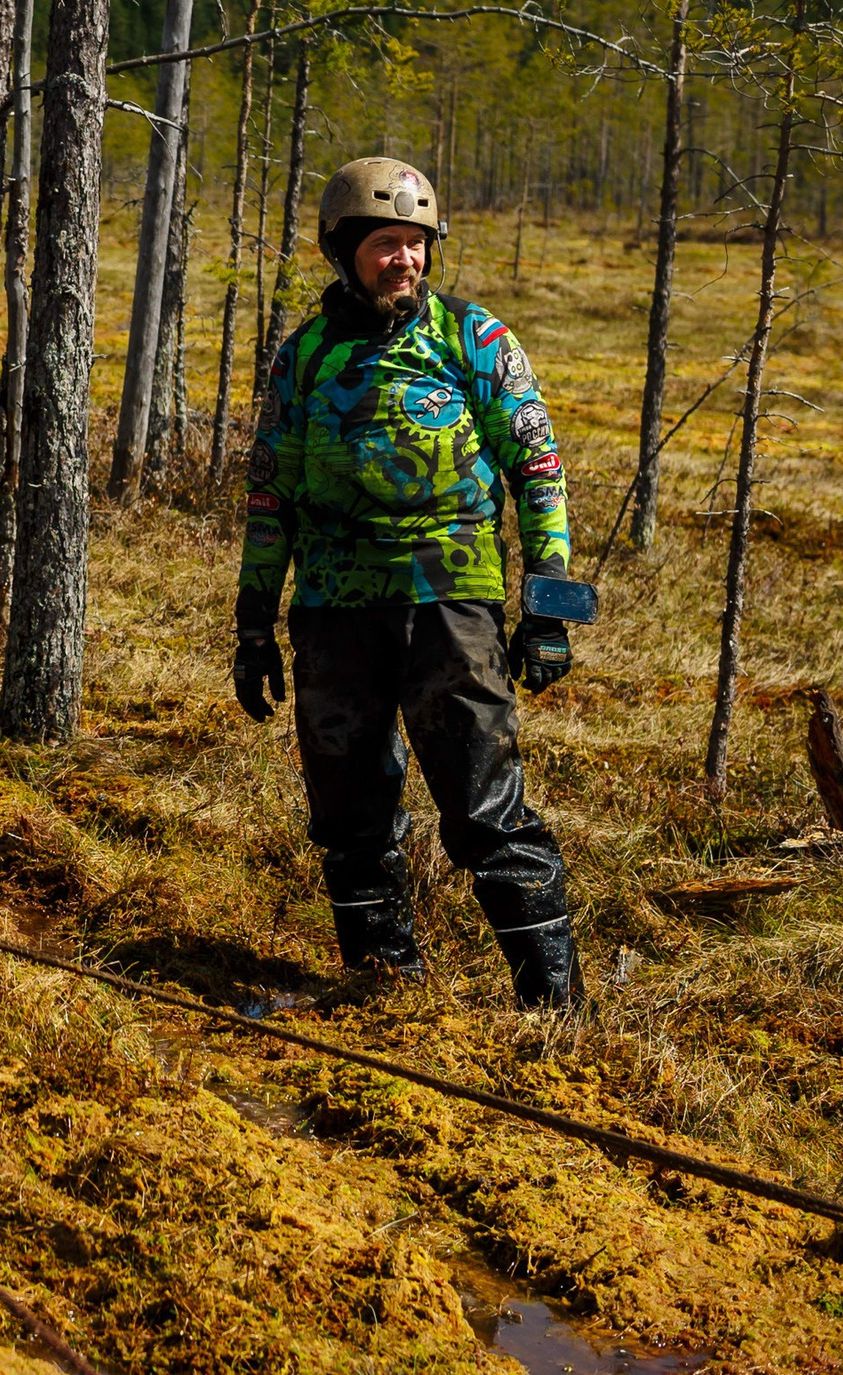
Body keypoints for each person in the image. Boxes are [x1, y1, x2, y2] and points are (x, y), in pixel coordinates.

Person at [230, 156, 583, 1010]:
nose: (405, 261)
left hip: (449, 607)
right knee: (348, 816)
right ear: (345, 250)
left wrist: (550, 606)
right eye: (386, 244)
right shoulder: (304, 354)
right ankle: (384, 985)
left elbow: (538, 469)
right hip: (330, 614)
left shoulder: (474, 340)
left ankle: (558, 1014)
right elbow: (270, 489)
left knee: (483, 811)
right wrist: (252, 622)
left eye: (417, 244)